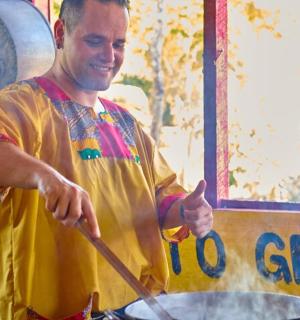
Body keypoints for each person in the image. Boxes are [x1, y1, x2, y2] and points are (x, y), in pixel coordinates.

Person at [0, 0, 213, 319]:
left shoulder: (126, 122)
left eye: (119, 43)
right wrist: (47, 178)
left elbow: (160, 198)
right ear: (60, 34)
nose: (109, 56)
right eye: (95, 41)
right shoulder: (22, 104)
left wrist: (185, 210)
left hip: (137, 308)